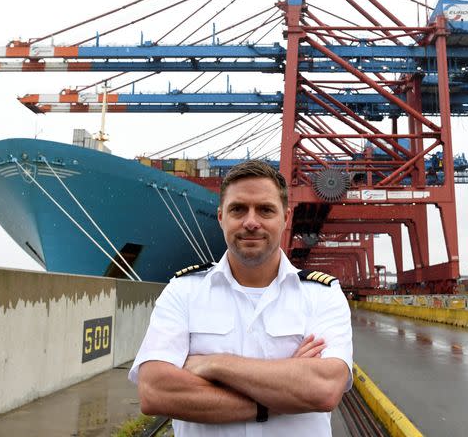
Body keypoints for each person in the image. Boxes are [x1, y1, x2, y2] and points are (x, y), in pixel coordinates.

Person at [129, 160, 353, 435]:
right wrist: (285, 390)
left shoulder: (323, 295)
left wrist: (214, 364)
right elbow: (155, 392)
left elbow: (324, 390)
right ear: (221, 217)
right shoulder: (182, 291)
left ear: (286, 217)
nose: (251, 222)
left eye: (265, 210)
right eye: (238, 209)